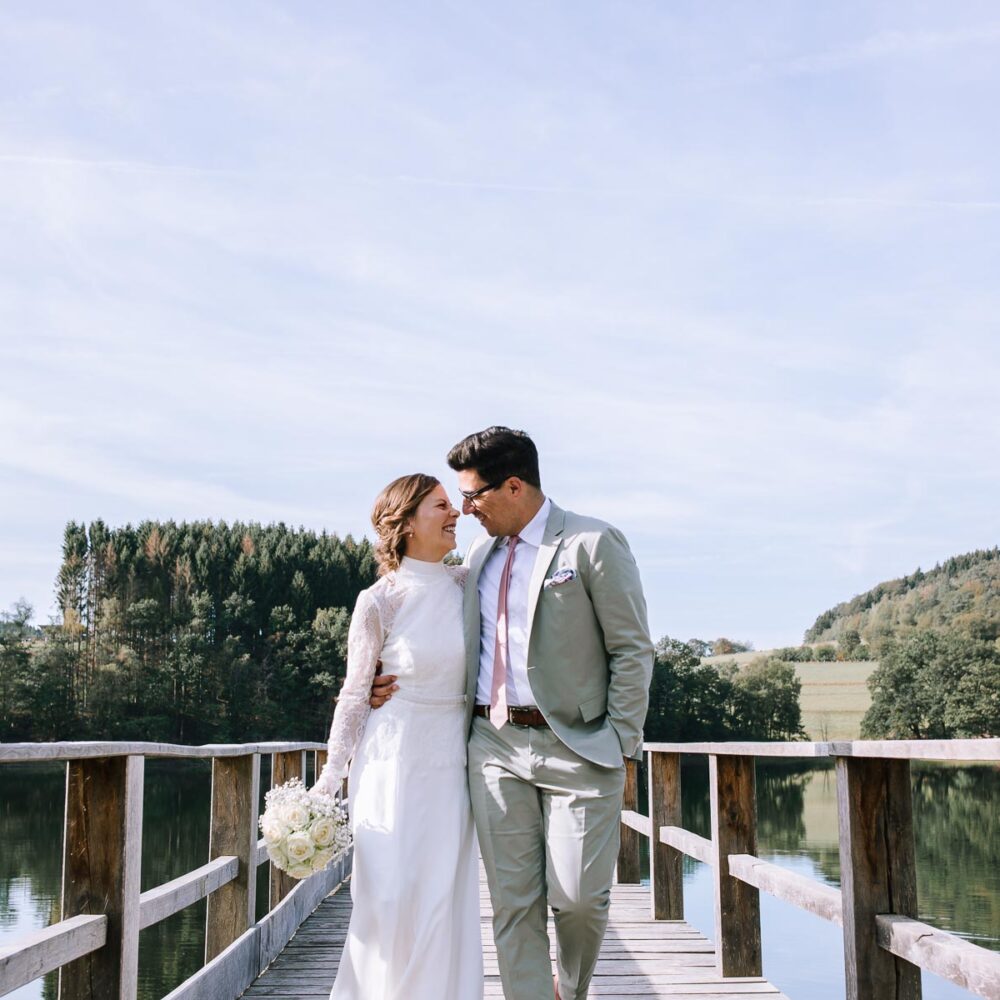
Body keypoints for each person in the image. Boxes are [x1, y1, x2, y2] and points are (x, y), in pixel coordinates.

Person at [372, 427, 654, 1000]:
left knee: (578, 897)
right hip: (493, 746)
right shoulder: (477, 556)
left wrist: (621, 738)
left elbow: (632, 648)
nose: (464, 510)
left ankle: (569, 991)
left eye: (472, 497)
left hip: (580, 746)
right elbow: (416, 605)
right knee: (513, 902)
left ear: (515, 486)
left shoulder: (592, 543)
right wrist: (383, 681)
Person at [312, 473, 483, 1000]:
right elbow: (354, 693)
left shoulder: (466, 584)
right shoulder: (378, 601)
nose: (454, 513)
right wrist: (328, 780)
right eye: (441, 506)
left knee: (440, 901)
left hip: (451, 763)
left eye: (456, 505)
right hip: (391, 761)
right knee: (388, 897)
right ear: (406, 522)